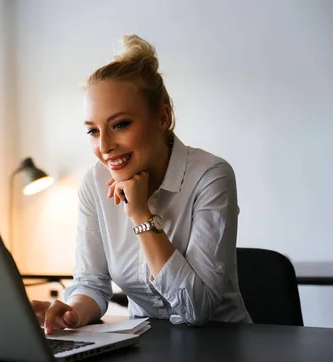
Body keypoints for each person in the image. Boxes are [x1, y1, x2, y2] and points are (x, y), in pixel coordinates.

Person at [32, 35, 252, 334]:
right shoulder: (94, 183)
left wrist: (140, 215)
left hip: (221, 346)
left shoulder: (211, 175)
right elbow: (91, 283)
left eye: (120, 125)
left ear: (163, 117)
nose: (105, 146)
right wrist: (72, 313)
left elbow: (197, 309)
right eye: (93, 131)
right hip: (145, 347)